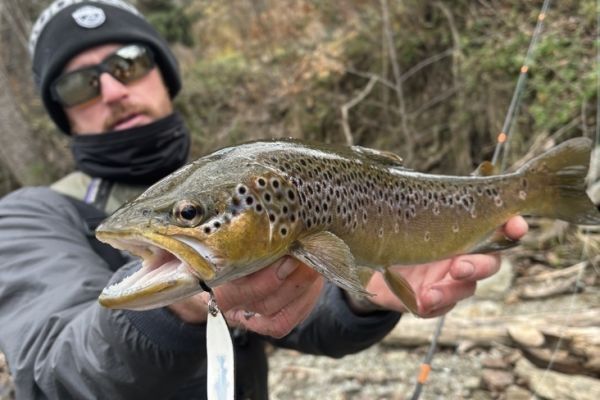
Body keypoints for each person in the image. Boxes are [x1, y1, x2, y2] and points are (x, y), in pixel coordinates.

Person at [0, 1, 527, 399]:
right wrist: (173, 310)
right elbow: (51, 370)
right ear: (61, 113)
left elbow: (305, 316)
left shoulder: (236, 181)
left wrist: (361, 292)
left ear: (164, 73)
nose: (113, 90)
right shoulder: (29, 215)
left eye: (131, 63)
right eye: (78, 86)